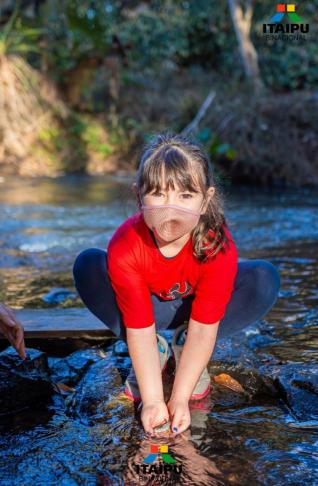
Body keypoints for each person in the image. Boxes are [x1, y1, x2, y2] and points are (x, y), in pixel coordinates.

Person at [73, 131, 280, 437]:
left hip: (196, 315)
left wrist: (180, 399)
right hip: (146, 314)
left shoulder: (216, 245)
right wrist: (154, 401)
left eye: (185, 196)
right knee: (88, 263)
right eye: (158, 194)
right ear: (139, 196)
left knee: (264, 277)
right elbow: (139, 328)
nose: (171, 210)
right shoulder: (127, 243)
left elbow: (205, 328)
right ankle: (159, 351)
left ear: (205, 199)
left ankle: (182, 347)